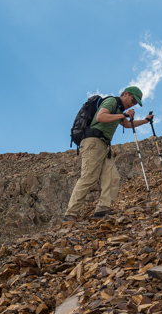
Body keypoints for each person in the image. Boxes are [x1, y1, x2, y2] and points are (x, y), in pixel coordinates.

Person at [62, 86, 153, 221]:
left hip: (104, 145)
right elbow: (100, 116)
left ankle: (102, 210)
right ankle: (70, 214)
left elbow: (127, 125)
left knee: (112, 177)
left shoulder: (120, 110)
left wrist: (146, 120)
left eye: (135, 103)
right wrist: (124, 115)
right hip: (93, 142)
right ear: (125, 94)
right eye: (133, 100)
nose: (133, 104)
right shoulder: (112, 102)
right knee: (89, 177)